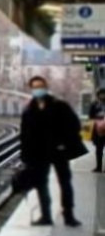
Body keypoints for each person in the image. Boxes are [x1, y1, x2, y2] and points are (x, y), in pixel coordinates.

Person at [19, 75, 85, 227]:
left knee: (65, 182)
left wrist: (64, 143)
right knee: (41, 183)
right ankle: (46, 215)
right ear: (31, 89)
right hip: (38, 153)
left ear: (46, 87)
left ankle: (69, 215)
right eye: (35, 87)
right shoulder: (29, 109)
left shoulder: (59, 105)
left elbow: (74, 125)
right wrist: (25, 155)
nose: (38, 90)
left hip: (58, 151)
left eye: (40, 86)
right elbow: (25, 134)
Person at [89, 88, 105, 173]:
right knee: (99, 149)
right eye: (101, 94)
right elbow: (90, 116)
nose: (102, 96)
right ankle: (98, 167)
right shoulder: (94, 104)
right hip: (98, 130)